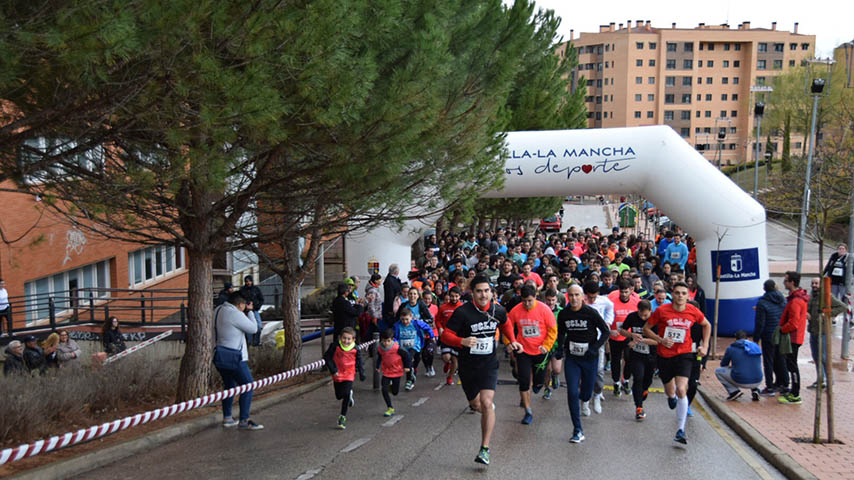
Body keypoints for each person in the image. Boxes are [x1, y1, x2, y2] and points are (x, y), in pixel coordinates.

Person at [440, 274, 522, 465]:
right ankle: (487, 411)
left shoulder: (498, 310)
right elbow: (446, 336)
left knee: (486, 402)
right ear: (473, 292)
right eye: (479, 291)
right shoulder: (462, 312)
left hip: (488, 364)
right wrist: (462, 341)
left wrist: (512, 341)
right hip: (468, 366)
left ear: (492, 292)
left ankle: (484, 449)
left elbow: (506, 324)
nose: (483, 295)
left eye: (487, 291)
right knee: (477, 405)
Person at [643, 281, 710, 445]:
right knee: (670, 390)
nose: (680, 296)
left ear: (688, 296)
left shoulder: (693, 311)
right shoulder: (661, 311)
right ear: (671, 295)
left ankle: (680, 430)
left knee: (682, 389)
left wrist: (705, 345)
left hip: (685, 354)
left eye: (683, 293)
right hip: (665, 355)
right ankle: (671, 397)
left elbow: (706, 325)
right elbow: (646, 328)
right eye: (677, 293)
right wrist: (660, 339)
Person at [557, 284, 610, 443]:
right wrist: (560, 348)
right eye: (571, 295)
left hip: (589, 358)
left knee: (586, 392)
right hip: (572, 358)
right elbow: (561, 332)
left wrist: (594, 348)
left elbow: (606, 331)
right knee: (572, 392)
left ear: (582, 297)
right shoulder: (564, 314)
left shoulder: (590, 313)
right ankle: (577, 429)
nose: (573, 298)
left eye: (576, 295)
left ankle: (586, 400)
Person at [506, 285, 557, 425]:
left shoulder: (544, 309)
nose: (527, 304)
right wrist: (510, 343)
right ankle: (528, 411)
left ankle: (539, 384)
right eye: (524, 301)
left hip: (540, 351)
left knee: (538, 382)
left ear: (535, 297)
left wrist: (546, 346)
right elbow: (507, 328)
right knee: (523, 380)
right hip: (523, 351)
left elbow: (553, 330)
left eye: (529, 300)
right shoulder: (516, 310)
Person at [214, 292, 263, 430]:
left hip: (219, 354)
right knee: (248, 385)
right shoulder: (234, 313)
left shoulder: (217, 310)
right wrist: (251, 312)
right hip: (235, 357)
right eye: (244, 305)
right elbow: (253, 328)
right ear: (240, 304)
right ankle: (244, 420)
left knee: (229, 386)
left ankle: (228, 417)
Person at [618, 300, 657, 420]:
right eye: (641, 315)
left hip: (651, 355)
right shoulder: (632, 317)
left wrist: (644, 340)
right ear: (637, 311)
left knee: (647, 380)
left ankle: (645, 390)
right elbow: (622, 330)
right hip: (636, 354)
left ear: (651, 311)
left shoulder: (656, 320)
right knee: (638, 378)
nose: (643, 317)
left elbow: (659, 341)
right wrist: (632, 336)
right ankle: (639, 408)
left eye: (646, 315)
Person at [806, 277, 847, 389]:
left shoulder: (826, 296)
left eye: (816, 283)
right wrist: (807, 313)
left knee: (823, 357)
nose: (814, 285)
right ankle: (820, 379)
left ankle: (828, 380)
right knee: (815, 356)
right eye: (813, 283)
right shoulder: (812, 296)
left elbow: (843, 307)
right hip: (813, 330)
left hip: (823, 331)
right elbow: (808, 308)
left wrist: (829, 313)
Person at [323, 326, 365, 429]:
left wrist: (361, 373)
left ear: (353, 340)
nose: (346, 341)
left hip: (349, 374)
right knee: (339, 396)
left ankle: (342, 417)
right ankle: (348, 394)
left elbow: (359, 361)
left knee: (345, 393)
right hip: (337, 373)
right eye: (344, 338)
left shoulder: (356, 348)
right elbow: (327, 357)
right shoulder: (335, 346)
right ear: (340, 337)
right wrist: (333, 369)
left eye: (349, 339)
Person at [582, 279, 613, 415]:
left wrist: (608, 322)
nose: (592, 299)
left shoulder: (604, 301)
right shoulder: (580, 301)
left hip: (598, 340)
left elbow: (611, 308)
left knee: (599, 369)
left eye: (594, 297)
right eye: (590, 297)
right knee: (583, 371)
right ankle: (585, 400)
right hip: (582, 339)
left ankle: (597, 394)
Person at [778, 271, 808, 405]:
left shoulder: (796, 301)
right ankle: (794, 391)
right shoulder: (798, 298)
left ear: (792, 282)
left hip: (793, 338)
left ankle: (795, 393)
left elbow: (794, 322)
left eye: (786, 280)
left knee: (792, 365)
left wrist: (782, 330)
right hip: (795, 337)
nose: (784, 283)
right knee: (792, 365)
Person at [753, 279, 787, 395]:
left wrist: (756, 339)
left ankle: (770, 386)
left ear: (764, 289)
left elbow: (760, 323)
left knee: (768, 361)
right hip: (781, 333)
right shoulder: (782, 300)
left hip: (768, 335)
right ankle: (783, 383)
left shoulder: (762, 303)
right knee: (780, 359)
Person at [607, 280, 640, 397]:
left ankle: (626, 380)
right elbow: (606, 316)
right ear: (619, 291)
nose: (624, 294)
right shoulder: (611, 302)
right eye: (622, 292)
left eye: (626, 292)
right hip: (615, 336)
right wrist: (610, 330)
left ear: (631, 291)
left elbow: (640, 319)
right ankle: (616, 383)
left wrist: (635, 336)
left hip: (629, 336)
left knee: (629, 359)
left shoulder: (636, 302)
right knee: (615, 360)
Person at [396, 287, 436, 377]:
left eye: (414, 294)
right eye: (410, 294)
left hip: (419, 335)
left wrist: (419, 322)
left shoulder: (421, 305)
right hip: (406, 334)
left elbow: (430, 319)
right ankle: (411, 373)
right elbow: (397, 318)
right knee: (408, 354)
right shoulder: (404, 305)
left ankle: (422, 367)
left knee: (419, 354)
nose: (412, 296)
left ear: (418, 296)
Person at [715, 330, 763, 401]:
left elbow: (723, 364)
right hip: (758, 380)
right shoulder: (756, 346)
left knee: (718, 371)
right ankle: (756, 389)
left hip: (740, 380)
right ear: (747, 338)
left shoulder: (731, 348)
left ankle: (734, 391)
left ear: (735, 339)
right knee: (754, 368)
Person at [394, 308, 434, 390]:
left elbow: (427, 327)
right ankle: (409, 381)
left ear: (411, 317)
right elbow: (393, 335)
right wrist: (395, 341)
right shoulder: (397, 325)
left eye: (407, 319)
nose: (405, 322)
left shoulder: (416, 323)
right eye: (403, 319)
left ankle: (413, 370)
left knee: (415, 361)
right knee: (408, 361)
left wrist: (431, 336)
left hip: (415, 346)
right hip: (404, 348)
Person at [376, 328, 412, 417]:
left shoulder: (397, 348)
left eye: (388, 341)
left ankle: (391, 387)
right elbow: (380, 357)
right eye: (384, 341)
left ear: (392, 340)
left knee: (395, 392)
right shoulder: (380, 348)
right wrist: (377, 366)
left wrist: (407, 366)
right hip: (386, 371)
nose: (386, 343)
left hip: (396, 371)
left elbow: (406, 356)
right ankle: (390, 407)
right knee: (384, 389)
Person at [436, 286, 464, 385]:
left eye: (456, 296)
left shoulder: (463, 308)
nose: (454, 298)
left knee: (455, 361)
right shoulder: (443, 307)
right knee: (447, 357)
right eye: (452, 296)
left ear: (460, 296)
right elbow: (437, 320)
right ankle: (447, 363)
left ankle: (450, 377)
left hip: (457, 338)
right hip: (446, 336)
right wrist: (439, 327)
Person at [239, 276, 264, 346]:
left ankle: (256, 342)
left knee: (259, 326)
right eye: (247, 281)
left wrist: (256, 306)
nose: (248, 283)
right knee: (248, 327)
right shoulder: (242, 290)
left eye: (249, 281)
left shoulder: (256, 289)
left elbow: (261, 299)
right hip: (245, 311)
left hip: (255, 310)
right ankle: (250, 343)